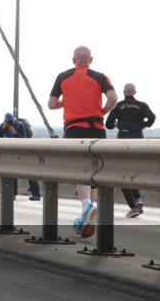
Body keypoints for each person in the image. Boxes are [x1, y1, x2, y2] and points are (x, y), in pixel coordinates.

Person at [48, 46, 118, 238]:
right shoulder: (100, 77)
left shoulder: (63, 77)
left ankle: (87, 206)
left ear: (73, 60)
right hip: (97, 128)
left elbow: (52, 104)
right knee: (94, 170)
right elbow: (113, 98)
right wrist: (102, 111)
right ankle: (89, 213)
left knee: (80, 170)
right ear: (91, 60)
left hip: (74, 129)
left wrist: (69, 100)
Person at [106, 83, 156, 217]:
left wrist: (119, 124)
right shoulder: (142, 105)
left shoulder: (118, 106)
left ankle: (134, 206)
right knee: (133, 172)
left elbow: (108, 124)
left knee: (123, 175)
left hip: (123, 141)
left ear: (123, 92)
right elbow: (152, 117)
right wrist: (142, 125)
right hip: (138, 141)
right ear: (135, 92)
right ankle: (138, 201)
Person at [0, 113, 39, 200]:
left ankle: (36, 195)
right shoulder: (4, 126)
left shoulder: (20, 126)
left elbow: (24, 140)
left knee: (30, 173)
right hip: (11, 153)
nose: (9, 124)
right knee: (11, 173)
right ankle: (12, 194)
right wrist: (2, 127)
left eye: (11, 122)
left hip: (23, 153)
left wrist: (14, 132)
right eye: (7, 122)